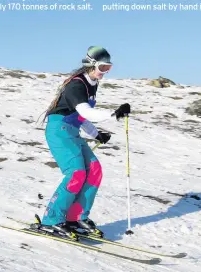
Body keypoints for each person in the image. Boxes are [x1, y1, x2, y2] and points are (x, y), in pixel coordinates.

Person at [34, 46, 130, 240]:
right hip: (58, 132)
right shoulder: (76, 85)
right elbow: (85, 112)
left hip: (72, 130)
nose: (105, 72)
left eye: (109, 68)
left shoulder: (92, 83)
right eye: (103, 68)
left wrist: (96, 135)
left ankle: (75, 217)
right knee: (76, 173)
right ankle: (51, 220)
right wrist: (113, 113)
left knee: (94, 170)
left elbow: (80, 117)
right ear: (91, 65)